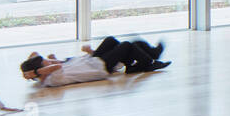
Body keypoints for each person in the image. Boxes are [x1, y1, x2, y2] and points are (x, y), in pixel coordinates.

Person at [21, 37, 169, 85]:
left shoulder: (50, 71)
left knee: (112, 40)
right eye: (45, 62)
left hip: (94, 59)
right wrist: (35, 72)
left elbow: (35, 54)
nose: (49, 61)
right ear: (41, 70)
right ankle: (149, 63)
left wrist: (31, 71)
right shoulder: (53, 79)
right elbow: (55, 67)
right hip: (100, 67)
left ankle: (150, 56)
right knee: (127, 45)